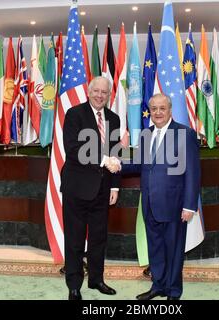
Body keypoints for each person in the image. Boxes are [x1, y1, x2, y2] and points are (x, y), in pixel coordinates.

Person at [120, 93, 201, 300]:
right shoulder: (146, 135)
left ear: (170, 110)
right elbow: (140, 164)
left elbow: (193, 172)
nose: (157, 112)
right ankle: (158, 286)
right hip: (149, 204)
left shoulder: (185, 134)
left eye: (162, 108)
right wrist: (118, 164)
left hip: (175, 205)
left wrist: (189, 206)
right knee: (155, 248)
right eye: (154, 108)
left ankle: (173, 291)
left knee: (174, 251)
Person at [61, 76, 121, 300]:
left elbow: (116, 154)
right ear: (89, 92)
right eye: (96, 91)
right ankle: (74, 285)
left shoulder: (113, 119)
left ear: (109, 95)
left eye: (104, 92)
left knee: (98, 238)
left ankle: (96, 280)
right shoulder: (74, 114)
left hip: (103, 190)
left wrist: (115, 187)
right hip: (77, 187)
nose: (99, 95)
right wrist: (104, 160)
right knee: (75, 239)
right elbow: (73, 149)